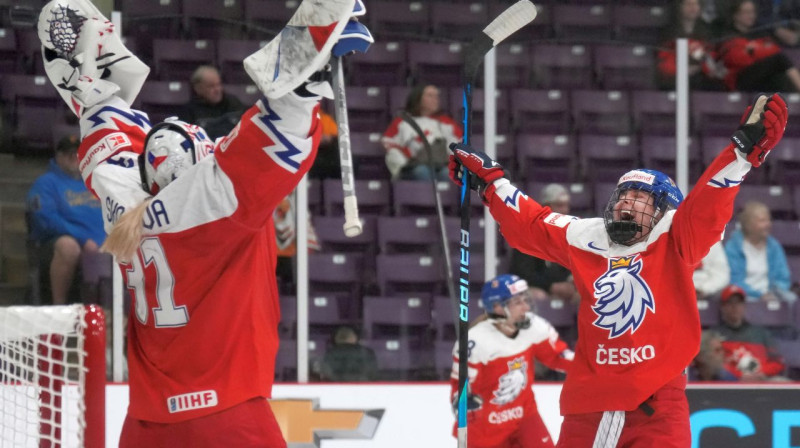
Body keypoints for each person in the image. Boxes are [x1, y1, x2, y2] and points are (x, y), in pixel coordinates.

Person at [37, 0, 372, 445]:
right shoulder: (215, 199)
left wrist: (93, 90)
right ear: (200, 165)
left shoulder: (123, 201)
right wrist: (307, 66)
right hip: (228, 418)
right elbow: (276, 131)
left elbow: (105, 128)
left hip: (146, 426)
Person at [448, 92, 788, 446]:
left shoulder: (677, 237)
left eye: (640, 196)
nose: (627, 199)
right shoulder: (587, 236)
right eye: (623, 193)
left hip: (661, 400)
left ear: (664, 211)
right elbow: (531, 223)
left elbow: (707, 206)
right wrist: (490, 183)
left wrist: (741, 154)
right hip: (595, 403)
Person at [450, 274, 573, 448]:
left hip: (524, 417)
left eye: (525, 300)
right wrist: (461, 402)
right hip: (486, 427)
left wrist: (587, 366)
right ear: (498, 307)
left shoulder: (533, 327)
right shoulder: (476, 342)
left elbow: (556, 356)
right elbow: (459, 386)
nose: (526, 307)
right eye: (517, 302)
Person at [26, 134, 105, 304]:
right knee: (68, 246)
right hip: (55, 246)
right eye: (68, 154)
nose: (74, 158)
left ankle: (116, 314)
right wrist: (84, 239)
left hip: (99, 243)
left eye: (77, 153)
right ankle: (59, 307)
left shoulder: (94, 183)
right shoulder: (46, 183)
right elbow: (45, 219)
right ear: (58, 157)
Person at [509, 184, 579, 303]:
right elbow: (524, 273)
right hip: (536, 287)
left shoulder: (569, 233)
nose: (565, 210)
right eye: (559, 205)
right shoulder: (528, 233)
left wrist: (570, 279)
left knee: (586, 294)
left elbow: (571, 265)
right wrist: (550, 286)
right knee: (539, 296)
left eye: (566, 205)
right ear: (546, 207)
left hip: (563, 287)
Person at [382, 84, 462, 181]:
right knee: (422, 171)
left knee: (447, 173)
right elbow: (389, 144)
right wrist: (408, 158)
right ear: (418, 98)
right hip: (413, 167)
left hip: (440, 165)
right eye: (430, 95)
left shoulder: (447, 122)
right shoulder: (402, 121)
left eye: (436, 96)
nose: (435, 99)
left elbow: (459, 146)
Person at [717, 0, 800, 92]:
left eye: (753, 12)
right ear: (736, 15)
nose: (751, 16)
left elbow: (774, 49)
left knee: (780, 77)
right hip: (738, 79)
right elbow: (736, 59)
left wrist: (753, 51)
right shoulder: (728, 35)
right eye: (747, 12)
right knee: (779, 60)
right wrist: (758, 50)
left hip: (760, 75)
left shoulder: (759, 32)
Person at [711, 284, 788, 381]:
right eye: (730, 303)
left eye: (739, 303)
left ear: (744, 306)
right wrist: (739, 376)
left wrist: (761, 373)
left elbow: (778, 362)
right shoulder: (714, 334)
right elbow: (713, 365)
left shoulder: (760, 333)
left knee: (783, 382)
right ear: (722, 307)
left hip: (763, 381)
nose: (735, 307)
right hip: (731, 384)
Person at [724, 200, 796, 302]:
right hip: (745, 295)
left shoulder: (774, 246)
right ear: (748, 224)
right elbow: (734, 280)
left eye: (769, 220)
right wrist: (759, 295)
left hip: (772, 293)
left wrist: (773, 293)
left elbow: (783, 277)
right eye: (762, 221)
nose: (768, 224)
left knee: (792, 299)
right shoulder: (733, 247)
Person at [657, 0, 726, 91]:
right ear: (680, 7)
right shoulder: (668, 32)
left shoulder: (707, 31)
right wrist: (683, 70)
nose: (693, 7)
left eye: (695, 4)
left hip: (701, 77)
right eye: (688, 4)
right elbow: (663, 59)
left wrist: (704, 67)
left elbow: (711, 55)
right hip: (675, 78)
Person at [179, 65, 245, 139]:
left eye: (218, 84)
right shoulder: (188, 112)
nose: (217, 90)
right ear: (198, 88)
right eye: (211, 86)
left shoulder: (234, 104)